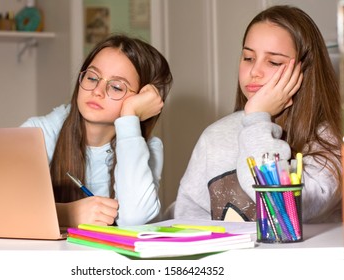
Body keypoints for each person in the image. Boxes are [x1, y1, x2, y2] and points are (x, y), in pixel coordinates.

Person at [174, 5, 342, 223]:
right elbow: (189, 220)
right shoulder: (214, 137)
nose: (254, 71)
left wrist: (257, 119)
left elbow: (279, 206)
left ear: (304, 71)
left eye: (273, 61)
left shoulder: (326, 144)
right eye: (248, 58)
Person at [21, 34, 173, 227]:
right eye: (92, 77)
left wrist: (129, 117)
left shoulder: (149, 147)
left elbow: (134, 219)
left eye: (117, 87)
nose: (97, 91)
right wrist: (66, 214)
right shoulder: (40, 132)